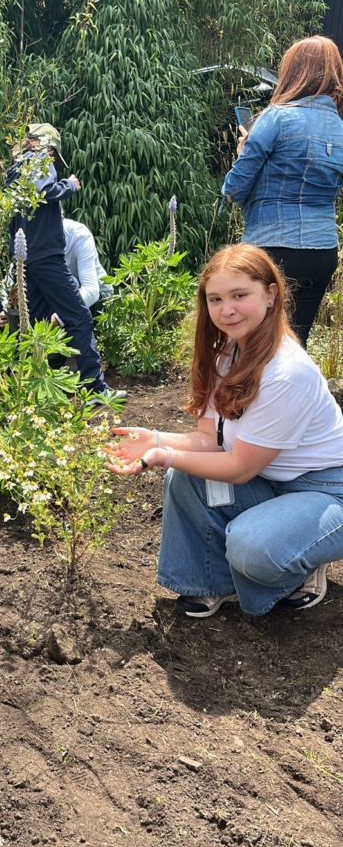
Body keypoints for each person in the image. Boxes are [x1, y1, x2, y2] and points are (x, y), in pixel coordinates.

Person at [106, 244, 343, 618]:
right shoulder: (226, 355)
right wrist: (155, 438)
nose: (226, 309)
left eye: (239, 295)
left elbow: (239, 468)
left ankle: (303, 560)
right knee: (187, 476)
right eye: (215, 299)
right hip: (271, 478)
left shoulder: (287, 373)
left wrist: (164, 456)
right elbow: (209, 441)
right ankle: (213, 582)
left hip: (326, 491)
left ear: (270, 294)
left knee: (253, 547)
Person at [222, 35, 343, 347]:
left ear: (293, 72)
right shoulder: (340, 128)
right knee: (294, 345)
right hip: (323, 250)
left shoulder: (277, 117)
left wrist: (243, 150)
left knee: (256, 346)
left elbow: (234, 189)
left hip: (273, 248)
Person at [5, 123, 125, 400]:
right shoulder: (39, 160)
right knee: (78, 316)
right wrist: (69, 185)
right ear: (47, 146)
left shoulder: (16, 169)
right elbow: (45, 190)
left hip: (26, 259)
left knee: (34, 324)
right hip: (47, 254)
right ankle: (94, 388)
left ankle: (33, 390)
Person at [0, 216, 113, 325]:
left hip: (96, 300)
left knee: (69, 283)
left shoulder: (79, 235)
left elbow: (91, 291)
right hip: (50, 293)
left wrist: (59, 318)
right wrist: (8, 309)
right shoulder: (32, 236)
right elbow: (10, 282)